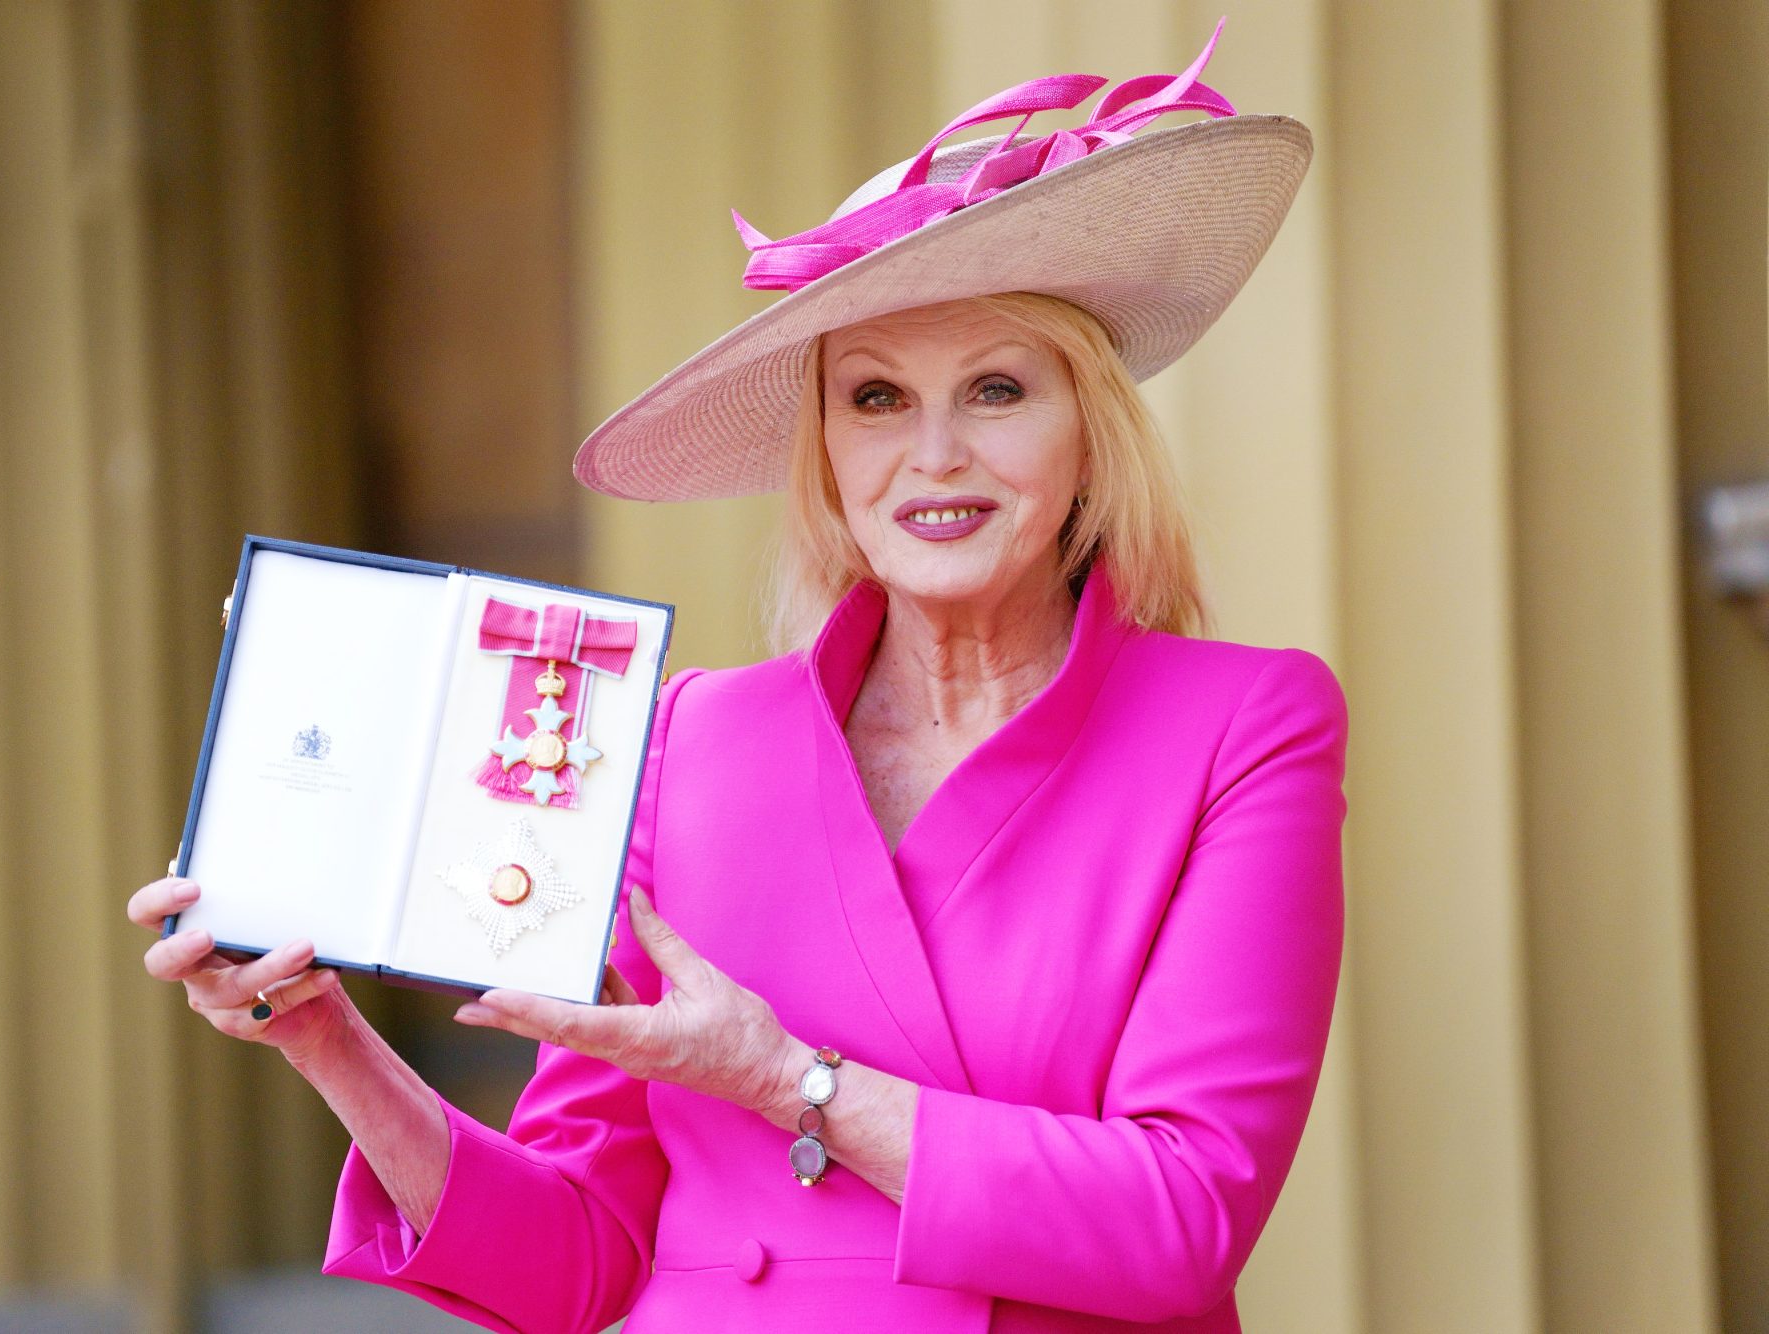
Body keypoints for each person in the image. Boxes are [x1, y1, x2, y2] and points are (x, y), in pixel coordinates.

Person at [127, 22, 1348, 1332]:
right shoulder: (686, 740)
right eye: (875, 398)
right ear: (823, 448)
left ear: (1092, 436)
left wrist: (783, 1078)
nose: (932, 456)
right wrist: (327, 1037)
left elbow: (1185, 1218)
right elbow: (580, 1258)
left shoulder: (1240, 725)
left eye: (995, 389)